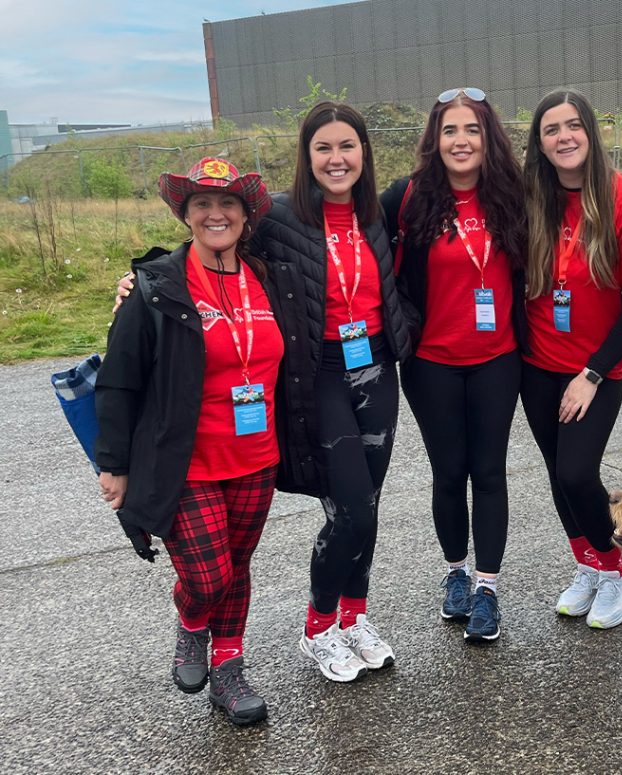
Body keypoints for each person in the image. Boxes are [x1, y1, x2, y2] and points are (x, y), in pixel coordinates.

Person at [116, 103, 413, 684]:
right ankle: (318, 627)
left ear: (364, 153)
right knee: (350, 508)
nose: (336, 159)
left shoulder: (377, 215)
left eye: (347, 146)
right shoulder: (277, 216)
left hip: (377, 371)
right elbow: (211, 236)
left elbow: (405, 280)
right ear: (306, 156)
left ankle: (354, 619)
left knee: (369, 508)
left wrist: (408, 331)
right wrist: (140, 280)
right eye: (323, 147)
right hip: (319, 375)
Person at [96, 158, 283, 725]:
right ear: (186, 215)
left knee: (238, 567)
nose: (215, 213)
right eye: (202, 203)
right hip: (185, 463)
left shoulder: (268, 278)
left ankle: (229, 670)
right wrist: (113, 464)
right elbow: (119, 379)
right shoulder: (156, 287)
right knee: (208, 576)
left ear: (246, 216)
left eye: (227, 203)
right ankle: (191, 620)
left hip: (257, 457)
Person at [380, 88, 527, 642]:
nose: (461, 140)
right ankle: (456, 574)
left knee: (488, 472)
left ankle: (488, 588)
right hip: (430, 363)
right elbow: (341, 231)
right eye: (449, 130)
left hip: (497, 360)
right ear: (434, 140)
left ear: (488, 137)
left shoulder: (512, 195)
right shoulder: (407, 198)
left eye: (472, 129)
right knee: (448, 472)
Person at [520, 89, 622, 629]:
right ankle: (588, 565)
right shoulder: (532, 196)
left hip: (596, 369)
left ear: (590, 131)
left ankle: (615, 570)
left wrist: (593, 373)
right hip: (537, 364)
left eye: (573, 125)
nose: (564, 137)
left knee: (577, 473)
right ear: (540, 142)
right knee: (557, 474)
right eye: (551, 129)